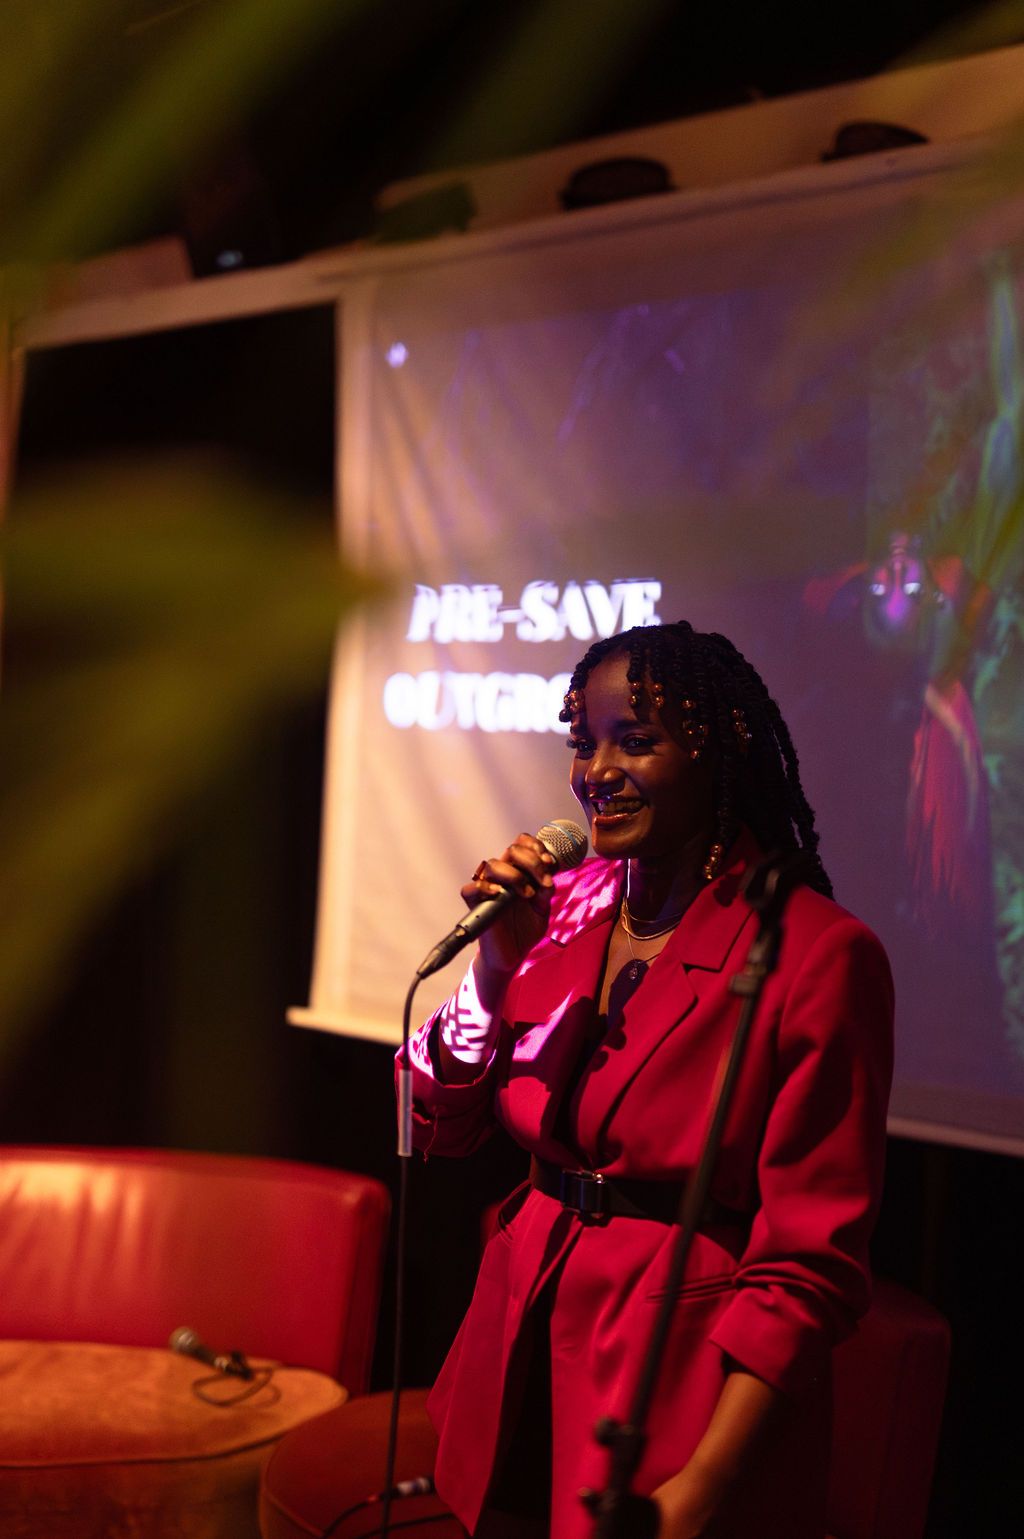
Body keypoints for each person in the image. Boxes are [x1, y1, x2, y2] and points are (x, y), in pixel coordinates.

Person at [402, 620, 894, 1539]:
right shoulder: (561, 911)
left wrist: (702, 1489)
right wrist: (494, 969)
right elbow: (432, 1119)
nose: (597, 772)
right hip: (516, 1349)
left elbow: (809, 1269)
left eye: (635, 740)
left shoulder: (815, 951)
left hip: (673, 1383)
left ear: (716, 753)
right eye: (583, 742)